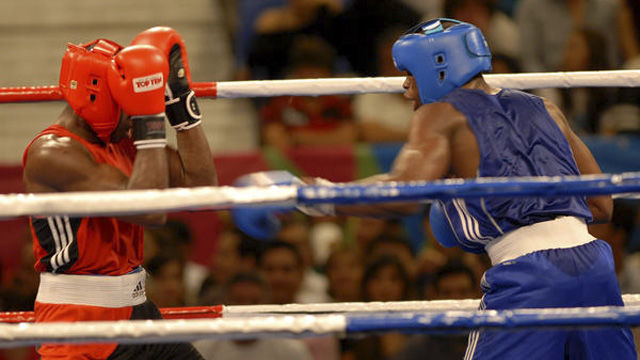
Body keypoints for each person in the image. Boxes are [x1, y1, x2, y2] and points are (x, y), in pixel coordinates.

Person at [232, 19, 636, 359]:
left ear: (438, 66)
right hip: (596, 268)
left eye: (409, 73)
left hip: (531, 277)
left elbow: (400, 196)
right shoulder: (545, 108)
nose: (405, 87)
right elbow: (600, 204)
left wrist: (307, 196)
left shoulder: (441, 114)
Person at [21, 26, 216, 359]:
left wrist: (181, 105)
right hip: (80, 325)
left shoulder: (123, 141)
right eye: (128, 104)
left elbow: (201, 187)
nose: (132, 119)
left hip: (138, 312)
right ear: (99, 97)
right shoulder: (51, 154)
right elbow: (150, 212)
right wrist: (150, 116)